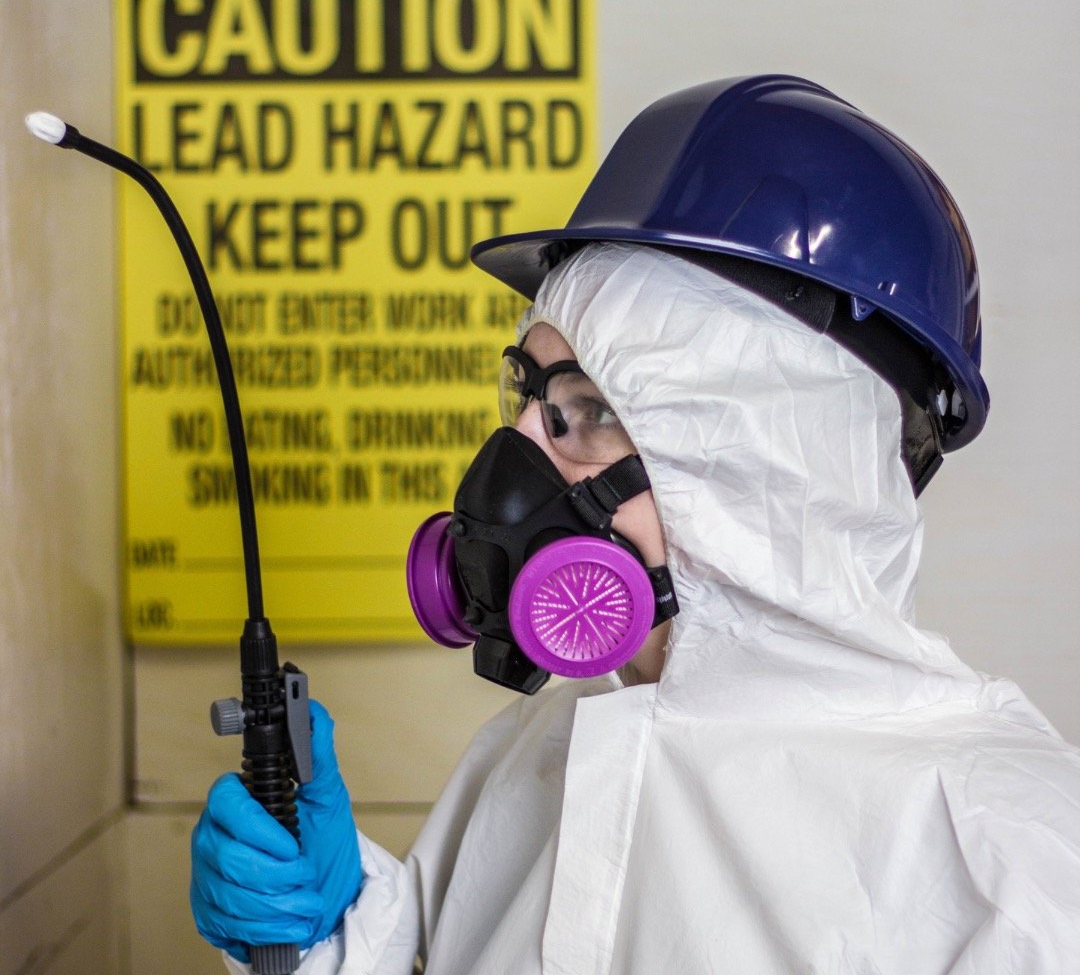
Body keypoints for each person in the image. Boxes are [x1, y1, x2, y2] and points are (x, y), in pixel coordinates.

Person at [191, 76, 1080, 973]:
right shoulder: (538, 758)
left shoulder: (1006, 861)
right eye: (530, 398)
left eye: (592, 407)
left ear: (760, 461)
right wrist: (335, 940)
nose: (518, 453)